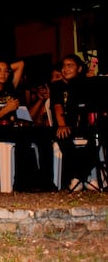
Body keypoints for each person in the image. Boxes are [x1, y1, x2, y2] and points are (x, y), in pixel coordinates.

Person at [0, 58, 56, 192]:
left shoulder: (10, 88)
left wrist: (3, 68)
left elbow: (21, 64)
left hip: (13, 127)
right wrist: (5, 110)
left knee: (45, 134)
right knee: (23, 136)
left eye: (6, 71)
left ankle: (45, 181)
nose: (3, 73)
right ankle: (23, 182)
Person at [50, 53, 102, 191]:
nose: (65, 69)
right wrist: (61, 124)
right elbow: (57, 106)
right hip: (64, 124)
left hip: (84, 125)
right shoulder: (57, 86)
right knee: (64, 136)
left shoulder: (84, 84)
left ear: (79, 69)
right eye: (64, 66)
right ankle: (83, 177)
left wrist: (92, 83)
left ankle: (80, 177)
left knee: (96, 137)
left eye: (70, 66)